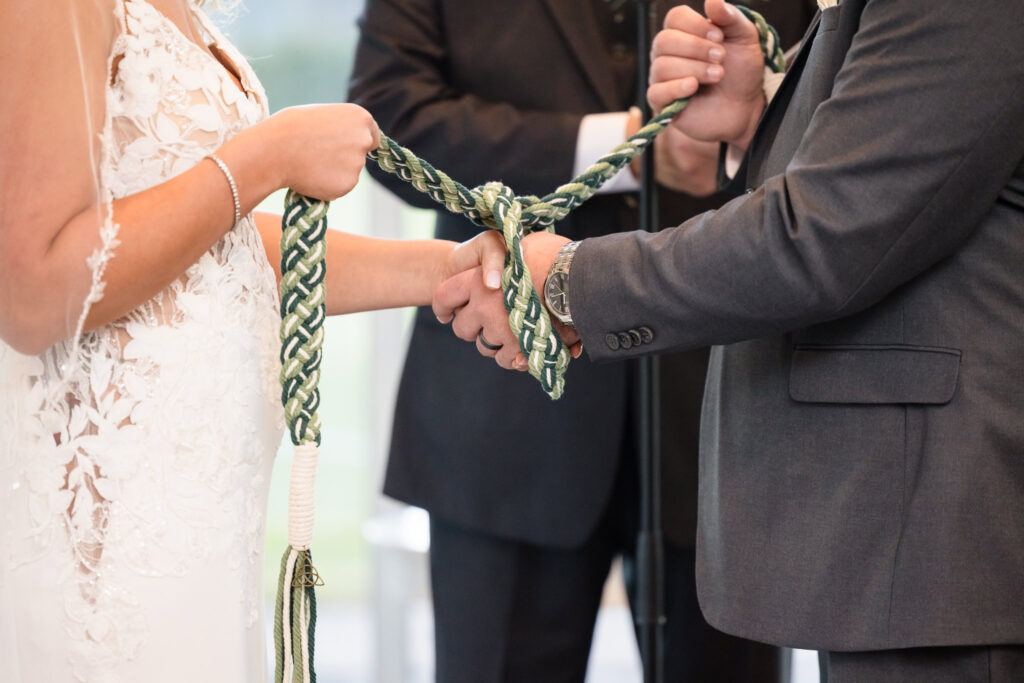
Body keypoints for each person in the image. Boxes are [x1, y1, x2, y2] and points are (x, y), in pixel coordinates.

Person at [437, 0, 1024, 680]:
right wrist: (766, 110)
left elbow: (823, 233)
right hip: (911, 550)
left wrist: (571, 282)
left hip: (941, 546)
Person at [0, 1, 505, 681]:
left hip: (202, 520)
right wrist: (268, 156)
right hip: (111, 532)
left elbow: (218, 249)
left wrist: (448, 269)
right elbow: (32, 290)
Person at [349, 1, 815, 681]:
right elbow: (388, 119)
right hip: (505, 408)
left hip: (724, 397)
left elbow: (836, 99)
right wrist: (621, 149)